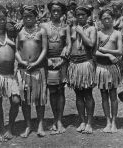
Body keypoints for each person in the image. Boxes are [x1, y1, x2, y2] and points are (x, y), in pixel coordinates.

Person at [0, 6, 20, 142]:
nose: (3, 21)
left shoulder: (11, 33)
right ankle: (2, 128)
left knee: (16, 101)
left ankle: (10, 127)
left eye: (4, 18)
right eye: (0, 19)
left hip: (10, 74)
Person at [15, 5, 48, 138]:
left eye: (31, 17)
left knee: (40, 98)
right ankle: (28, 125)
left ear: (36, 17)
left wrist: (36, 62)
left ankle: (40, 124)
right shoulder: (19, 31)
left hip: (38, 69)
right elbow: (16, 49)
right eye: (25, 17)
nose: (28, 19)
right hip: (23, 70)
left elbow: (44, 49)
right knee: (25, 100)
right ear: (22, 18)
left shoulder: (41, 31)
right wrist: (21, 61)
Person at [41, 1, 71, 135]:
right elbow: (40, 44)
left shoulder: (66, 27)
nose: (56, 13)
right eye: (53, 10)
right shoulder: (43, 26)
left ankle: (60, 120)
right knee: (52, 90)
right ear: (50, 11)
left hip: (61, 61)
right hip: (48, 62)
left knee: (60, 90)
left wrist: (64, 57)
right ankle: (54, 118)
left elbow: (68, 43)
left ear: (62, 12)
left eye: (58, 11)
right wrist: (45, 60)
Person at [68, 5, 97, 134]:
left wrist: (81, 32)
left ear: (88, 16)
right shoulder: (71, 29)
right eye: (78, 15)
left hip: (86, 63)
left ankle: (90, 123)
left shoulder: (91, 29)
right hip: (74, 64)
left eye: (83, 15)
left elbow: (90, 44)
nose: (80, 17)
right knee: (78, 95)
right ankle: (82, 121)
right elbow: (69, 45)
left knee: (88, 94)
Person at [96, 8, 122, 133]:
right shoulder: (98, 33)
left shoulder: (117, 33)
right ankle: (107, 121)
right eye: (104, 19)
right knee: (104, 95)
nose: (106, 21)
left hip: (112, 68)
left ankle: (114, 122)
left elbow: (119, 51)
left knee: (113, 95)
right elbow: (94, 51)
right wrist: (108, 56)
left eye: (109, 18)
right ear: (101, 20)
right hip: (101, 68)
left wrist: (106, 51)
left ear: (113, 19)